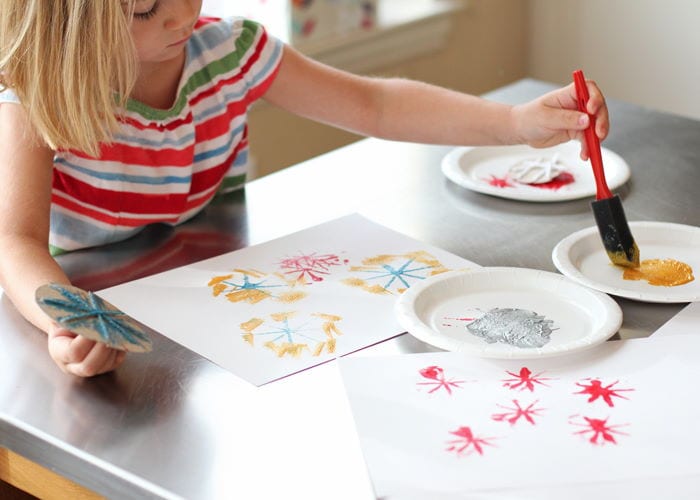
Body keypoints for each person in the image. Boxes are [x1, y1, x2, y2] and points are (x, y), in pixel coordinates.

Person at [0, 0, 609, 377]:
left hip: (210, 292)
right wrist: (68, 318)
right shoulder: (34, 99)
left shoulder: (228, 51)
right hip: (86, 285)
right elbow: (15, 241)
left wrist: (514, 123)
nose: (184, 15)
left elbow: (374, 105)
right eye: (145, 8)